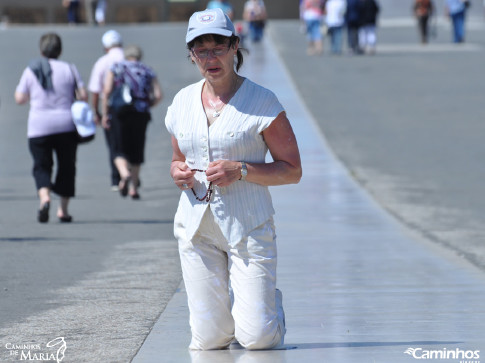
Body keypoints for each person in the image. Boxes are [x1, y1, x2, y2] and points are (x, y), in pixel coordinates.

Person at [165, 8, 302, 350]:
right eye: (201, 49)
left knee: (256, 339)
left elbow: (292, 170)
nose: (210, 57)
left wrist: (240, 170)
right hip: (197, 228)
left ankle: (269, 312)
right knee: (209, 341)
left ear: (234, 46)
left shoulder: (263, 103)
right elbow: (177, 159)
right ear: (191, 54)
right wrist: (176, 171)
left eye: (218, 47)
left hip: (249, 226)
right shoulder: (182, 102)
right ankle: (238, 311)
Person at [15, 33, 87, 223]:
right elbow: (83, 95)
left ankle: (44, 197)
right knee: (67, 166)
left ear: (41, 50)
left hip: (38, 126)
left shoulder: (31, 70)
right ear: (60, 50)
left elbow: (20, 98)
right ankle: (62, 210)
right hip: (66, 124)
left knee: (42, 165)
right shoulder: (69, 69)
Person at [101, 45, 162, 199]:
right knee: (137, 149)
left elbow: (107, 91)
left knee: (118, 148)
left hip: (119, 113)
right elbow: (158, 94)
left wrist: (105, 113)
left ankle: (124, 173)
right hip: (140, 113)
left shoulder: (116, 67)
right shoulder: (147, 70)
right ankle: (134, 188)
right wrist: (148, 105)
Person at [88, 30, 124, 191]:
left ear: (105, 47)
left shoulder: (102, 62)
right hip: (133, 108)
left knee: (114, 144)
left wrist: (96, 112)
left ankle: (116, 179)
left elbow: (96, 90)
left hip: (110, 107)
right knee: (130, 141)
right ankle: (132, 174)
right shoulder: (128, 58)